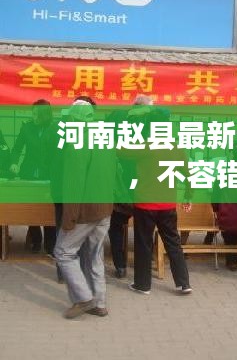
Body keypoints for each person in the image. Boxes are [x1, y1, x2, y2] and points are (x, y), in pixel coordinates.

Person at [119, 107, 193, 295]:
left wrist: (131, 124)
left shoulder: (145, 146)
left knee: (143, 245)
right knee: (173, 243)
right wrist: (188, 196)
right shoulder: (176, 147)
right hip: (168, 205)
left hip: (145, 205)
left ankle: (143, 285)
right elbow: (188, 175)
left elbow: (120, 150)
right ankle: (183, 283)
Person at [54, 101, 117, 318]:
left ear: (74, 119)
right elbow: (114, 174)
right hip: (104, 208)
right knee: (94, 256)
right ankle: (99, 303)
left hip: (85, 212)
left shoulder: (76, 143)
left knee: (63, 252)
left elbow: (74, 185)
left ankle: (83, 298)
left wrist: (68, 218)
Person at [108, 95, 153, 278]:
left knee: (116, 225)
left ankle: (120, 265)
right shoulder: (149, 126)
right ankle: (143, 264)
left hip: (122, 185)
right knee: (143, 227)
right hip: (139, 185)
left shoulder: (117, 118)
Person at [10, 99, 56, 254]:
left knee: (49, 210)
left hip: (49, 175)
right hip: (28, 174)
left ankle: (50, 245)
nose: (33, 116)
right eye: (33, 113)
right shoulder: (27, 128)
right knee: (32, 209)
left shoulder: (55, 129)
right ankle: (36, 241)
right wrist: (14, 162)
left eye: (36, 114)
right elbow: (17, 149)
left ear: (45, 115)